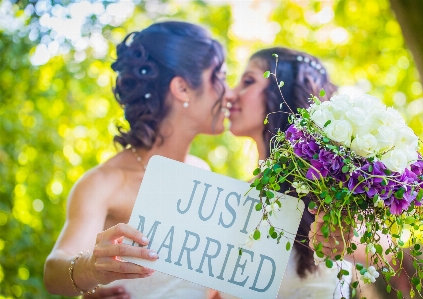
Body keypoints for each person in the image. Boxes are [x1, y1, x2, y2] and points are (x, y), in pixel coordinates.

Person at [44, 20, 230, 299]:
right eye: (221, 78)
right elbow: (53, 272)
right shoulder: (104, 183)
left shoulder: (203, 171)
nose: (229, 93)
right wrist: (90, 268)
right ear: (182, 88)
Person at [222, 47, 353, 299]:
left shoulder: (339, 191)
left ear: (284, 92)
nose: (231, 93)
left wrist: (342, 232)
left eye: (248, 81)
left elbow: (384, 254)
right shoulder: (231, 197)